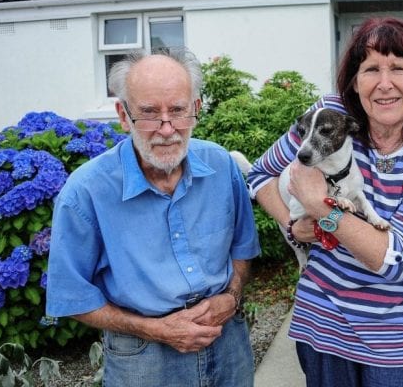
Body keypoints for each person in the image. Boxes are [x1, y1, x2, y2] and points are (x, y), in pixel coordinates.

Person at [246, 17, 403, 387]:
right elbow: (259, 176)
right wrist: (293, 225)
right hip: (322, 331)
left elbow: (396, 259)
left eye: (398, 68)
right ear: (354, 80)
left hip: (400, 347)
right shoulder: (329, 117)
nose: (384, 84)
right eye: (370, 70)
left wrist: (321, 210)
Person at [46, 47, 260, 387]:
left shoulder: (221, 166)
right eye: (148, 113)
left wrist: (232, 296)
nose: (166, 128)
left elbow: (242, 248)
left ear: (196, 109)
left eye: (177, 111)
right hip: (143, 355)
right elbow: (70, 296)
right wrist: (156, 329)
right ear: (122, 114)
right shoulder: (86, 191)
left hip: (226, 340)